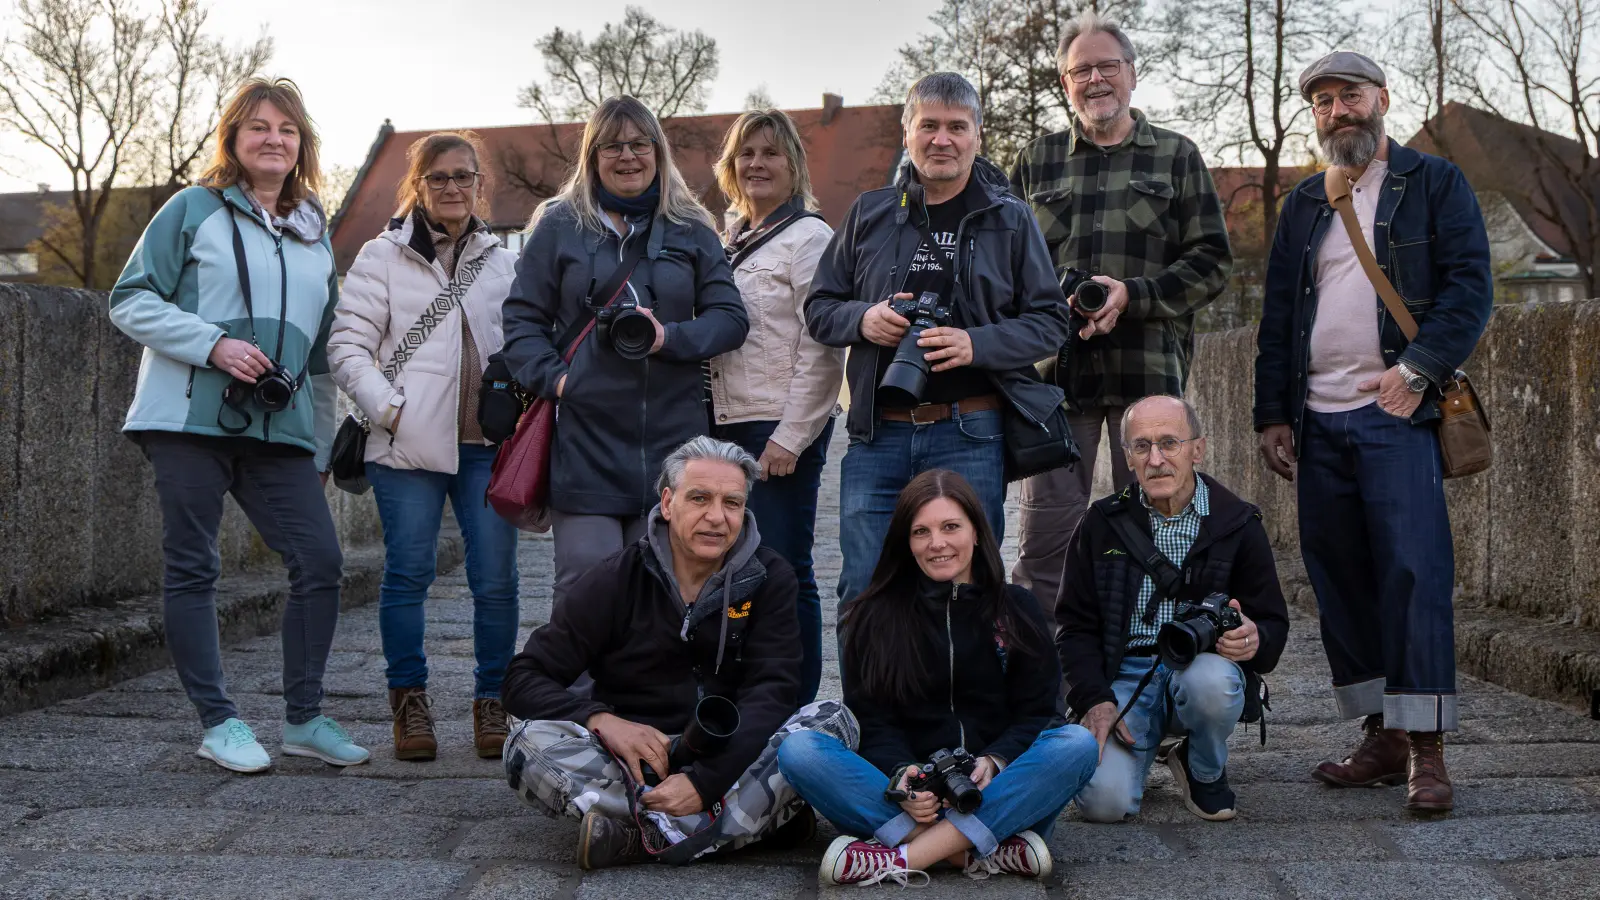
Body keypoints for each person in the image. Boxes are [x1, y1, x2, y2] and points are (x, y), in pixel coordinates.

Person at [106, 77, 367, 773]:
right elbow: (128, 300)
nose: (272, 139)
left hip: (276, 432)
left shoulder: (315, 235)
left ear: (302, 145)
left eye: (286, 129)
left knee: (320, 561)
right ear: (233, 140)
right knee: (194, 566)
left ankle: (304, 718)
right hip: (187, 417)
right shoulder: (192, 210)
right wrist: (211, 343)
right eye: (257, 127)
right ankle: (218, 722)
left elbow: (316, 357)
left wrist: (318, 444)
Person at [1255, 52, 1492, 813]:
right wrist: (1271, 415)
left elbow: (1469, 290)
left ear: (1381, 99)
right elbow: (1279, 321)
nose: (1337, 110)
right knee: (1340, 576)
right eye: (1322, 101)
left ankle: (1428, 749)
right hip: (1317, 420)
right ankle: (1382, 734)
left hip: (1396, 412)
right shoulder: (1302, 205)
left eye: (1348, 95)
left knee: (1413, 574)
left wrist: (1414, 371)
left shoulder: (1435, 184)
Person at [500, 437, 853, 869]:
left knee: (833, 721)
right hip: (637, 760)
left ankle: (639, 836)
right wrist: (601, 720)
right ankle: (753, 820)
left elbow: (774, 691)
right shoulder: (616, 577)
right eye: (700, 498)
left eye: (732, 503)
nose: (716, 518)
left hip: (736, 754)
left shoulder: (769, 576)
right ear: (668, 503)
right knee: (525, 740)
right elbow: (524, 677)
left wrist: (706, 782)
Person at [806, 72, 1072, 610]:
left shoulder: (1011, 219)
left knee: (966, 588)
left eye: (957, 126)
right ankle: (871, 699)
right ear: (907, 132)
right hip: (877, 432)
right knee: (862, 587)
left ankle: (962, 697)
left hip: (970, 429)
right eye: (928, 125)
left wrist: (977, 344)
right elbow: (819, 307)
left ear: (977, 135)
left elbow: (1051, 321)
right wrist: (865, 318)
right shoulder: (870, 212)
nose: (942, 139)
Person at [1008, 10, 1233, 612]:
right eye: (1081, 70)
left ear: (1132, 74)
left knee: (1164, 527)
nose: (1095, 79)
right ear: (1065, 82)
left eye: (1108, 66)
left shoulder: (1176, 156)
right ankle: (1043, 682)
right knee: (1044, 540)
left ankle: (1162, 666)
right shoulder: (1036, 161)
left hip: (1148, 375)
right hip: (1056, 381)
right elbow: (1002, 268)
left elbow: (1213, 260)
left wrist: (1134, 295)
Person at [778, 469, 1096, 887]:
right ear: (906, 544)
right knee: (800, 749)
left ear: (977, 532)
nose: (937, 543)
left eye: (950, 527)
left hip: (996, 793)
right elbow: (870, 720)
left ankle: (900, 857)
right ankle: (985, 852)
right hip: (910, 800)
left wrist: (995, 760)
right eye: (921, 532)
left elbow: (1040, 714)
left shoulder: (1016, 608)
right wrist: (901, 775)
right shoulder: (872, 616)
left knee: (1077, 744)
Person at [500, 95, 749, 614]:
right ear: (592, 157)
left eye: (639, 144)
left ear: (658, 153)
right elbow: (522, 321)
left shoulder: (691, 228)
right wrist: (561, 381)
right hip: (587, 439)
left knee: (661, 588)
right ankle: (582, 697)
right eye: (612, 146)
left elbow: (730, 319)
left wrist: (669, 338)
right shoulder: (560, 226)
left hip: (673, 442)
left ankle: (644, 697)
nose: (627, 156)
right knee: (584, 583)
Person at [328, 131, 520, 762]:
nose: (453, 188)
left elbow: (520, 339)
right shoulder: (381, 256)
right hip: (405, 444)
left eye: (464, 176)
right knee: (408, 573)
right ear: (417, 186)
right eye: (438, 178)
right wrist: (389, 407)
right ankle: (409, 702)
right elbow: (348, 346)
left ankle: (493, 698)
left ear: (479, 184)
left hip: (486, 445)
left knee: (495, 579)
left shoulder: (501, 259)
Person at [1056, 395, 1289, 822]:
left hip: (1200, 667)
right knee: (1102, 807)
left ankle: (1203, 769)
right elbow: (1073, 626)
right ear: (1127, 457)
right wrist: (1095, 699)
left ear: (1197, 449)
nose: (1156, 459)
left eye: (1170, 443)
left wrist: (1254, 639)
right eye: (1141, 446)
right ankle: (1146, 743)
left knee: (1212, 684)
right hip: (1126, 674)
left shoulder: (1237, 523)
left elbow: (1272, 622)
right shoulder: (1100, 523)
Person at [709, 109, 845, 706]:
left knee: (786, 567)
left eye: (771, 153)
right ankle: (746, 691)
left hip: (778, 425)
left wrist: (791, 436)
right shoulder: (726, 237)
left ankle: (795, 703)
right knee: (735, 566)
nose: (757, 164)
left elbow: (824, 345)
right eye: (746, 154)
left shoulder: (809, 239)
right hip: (723, 423)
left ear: (794, 164)